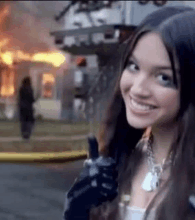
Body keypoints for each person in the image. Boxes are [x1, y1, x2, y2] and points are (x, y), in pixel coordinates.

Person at [63, 5, 195, 220]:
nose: (137, 89)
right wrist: (77, 210)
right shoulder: (119, 161)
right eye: (133, 66)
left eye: (163, 77)